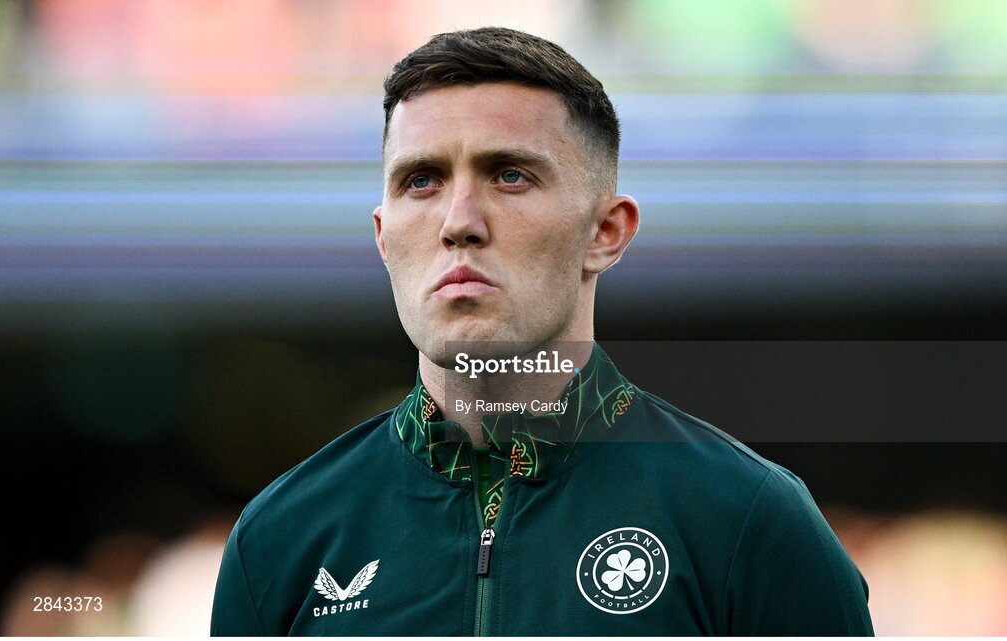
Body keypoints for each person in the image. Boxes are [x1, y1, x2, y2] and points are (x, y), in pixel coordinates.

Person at [210, 27, 874, 636]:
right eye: (422, 180)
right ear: (383, 238)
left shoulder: (748, 519)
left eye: (508, 174)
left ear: (605, 232)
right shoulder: (279, 539)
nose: (458, 221)